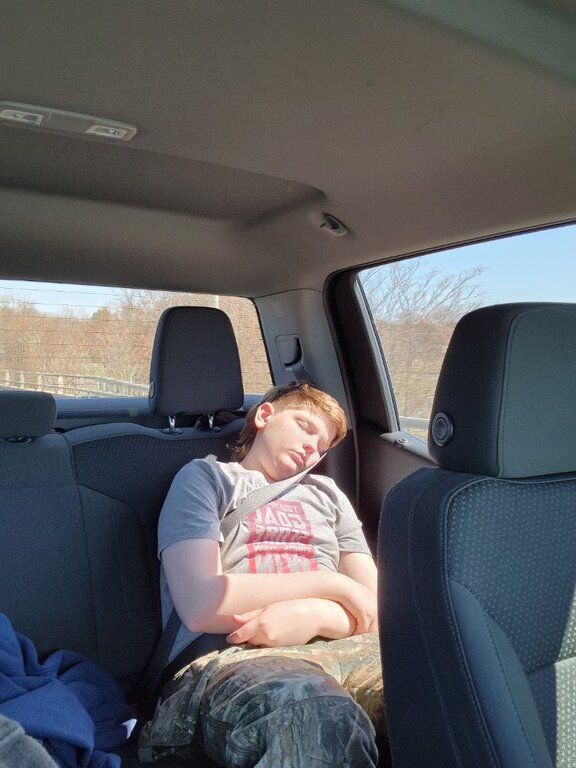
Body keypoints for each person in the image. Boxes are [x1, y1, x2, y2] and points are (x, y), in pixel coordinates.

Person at [139, 382, 384, 767]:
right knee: (317, 720)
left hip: (342, 645)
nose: (312, 448)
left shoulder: (328, 494)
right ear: (265, 416)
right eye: (304, 426)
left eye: (322, 447)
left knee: (442, 687)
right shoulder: (208, 478)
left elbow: (376, 612)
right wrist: (332, 584)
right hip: (230, 658)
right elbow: (201, 604)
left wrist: (313, 615)